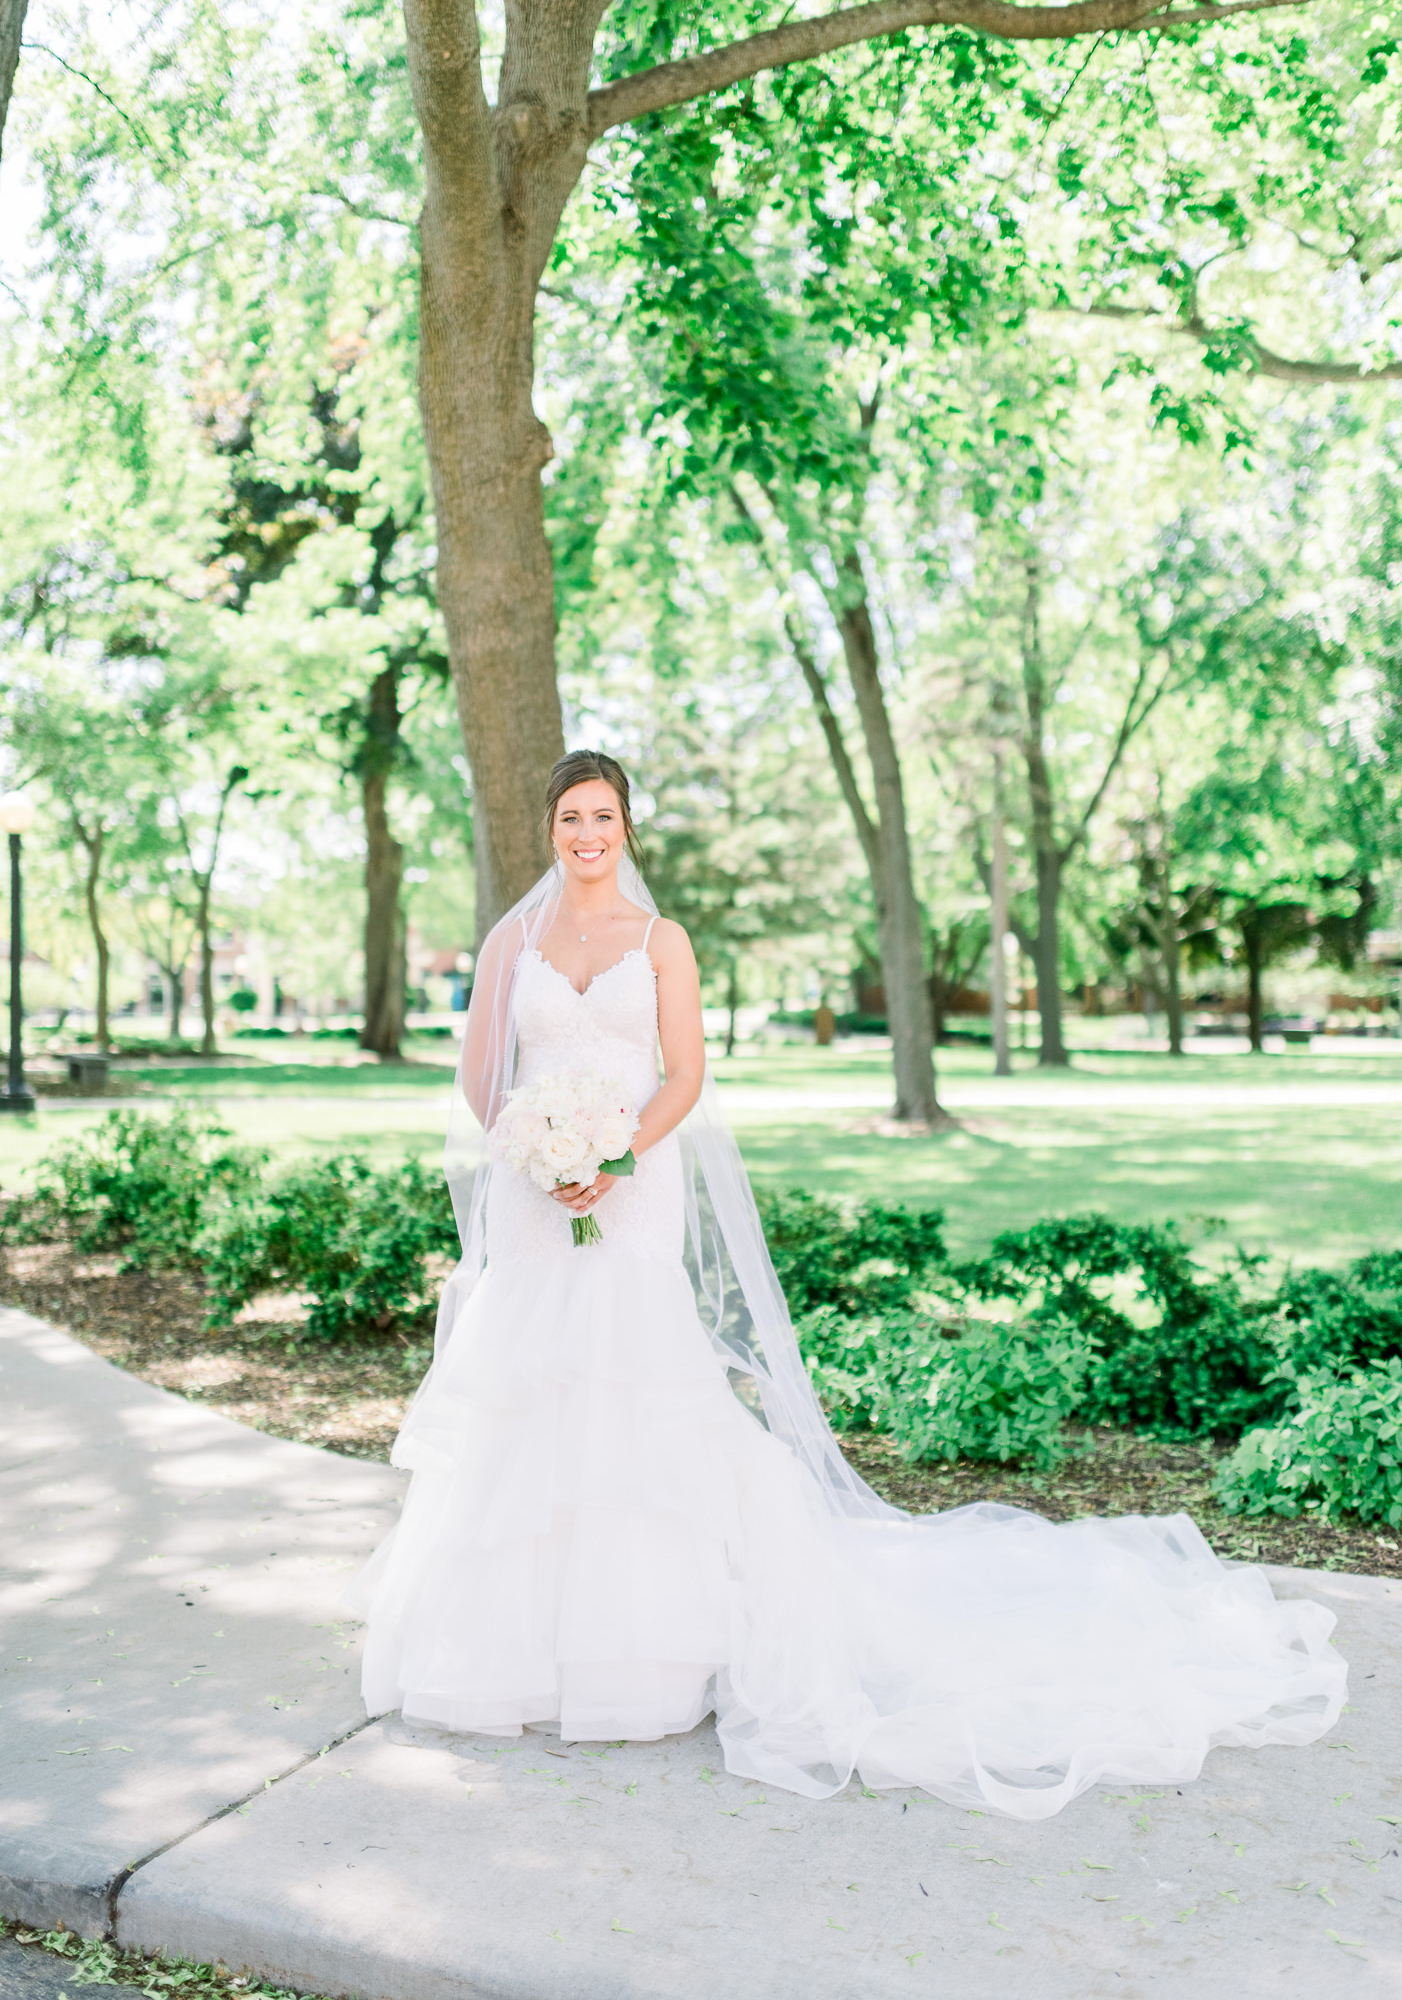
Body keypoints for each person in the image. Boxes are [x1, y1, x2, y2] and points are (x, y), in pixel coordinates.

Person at [350, 750, 1344, 1819]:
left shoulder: (659, 942)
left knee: (633, 1394)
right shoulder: (515, 940)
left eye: (602, 816)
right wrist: (542, 1153)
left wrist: (615, 1155)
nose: (585, 834)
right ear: (547, 828)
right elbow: (475, 1069)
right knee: (528, 1394)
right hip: (535, 1200)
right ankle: (512, 1654)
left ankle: (645, 1655)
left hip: (633, 1192)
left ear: (627, 827)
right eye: (569, 817)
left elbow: (684, 1073)